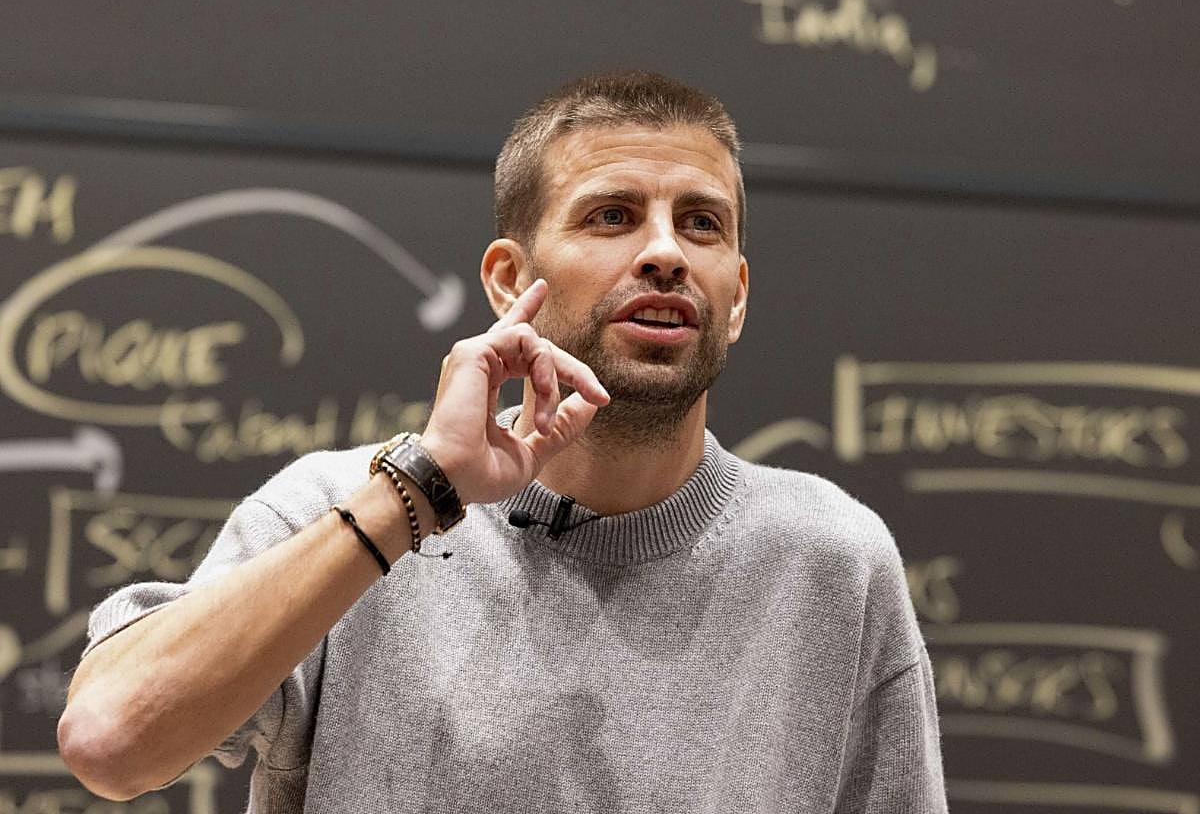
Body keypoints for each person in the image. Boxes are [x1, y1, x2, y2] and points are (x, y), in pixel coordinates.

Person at [59, 71, 947, 813]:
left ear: (738, 295)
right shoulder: (340, 509)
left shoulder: (833, 561)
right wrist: (417, 493)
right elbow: (108, 740)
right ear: (509, 280)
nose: (666, 253)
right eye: (612, 216)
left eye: (702, 224)